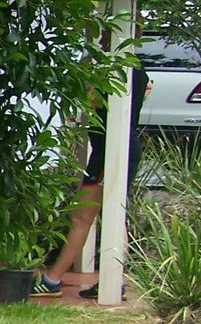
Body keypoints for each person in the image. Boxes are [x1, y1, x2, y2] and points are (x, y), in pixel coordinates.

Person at [31, 67, 150, 298]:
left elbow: (92, 100)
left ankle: (53, 279)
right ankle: (111, 280)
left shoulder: (116, 71)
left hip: (112, 148)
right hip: (109, 148)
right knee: (110, 215)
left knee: (84, 215)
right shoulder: (135, 71)